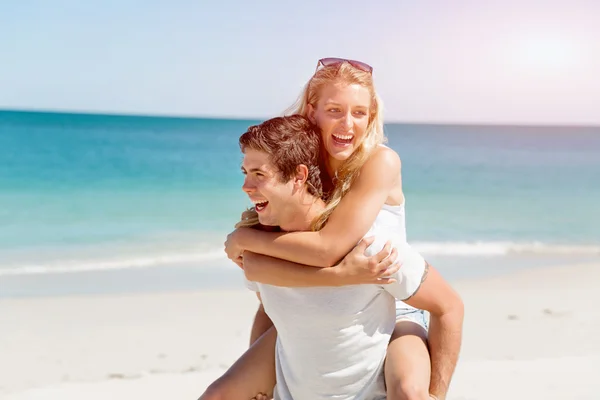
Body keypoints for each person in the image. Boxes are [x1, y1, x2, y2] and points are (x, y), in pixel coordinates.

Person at [222, 58, 462, 399]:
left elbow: (327, 247)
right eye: (335, 110)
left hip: (391, 302)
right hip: (313, 305)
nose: (348, 123)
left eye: (360, 113)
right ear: (311, 110)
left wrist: (243, 238)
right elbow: (265, 280)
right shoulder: (302, 168)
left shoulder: (379, 162)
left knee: (410, 391)